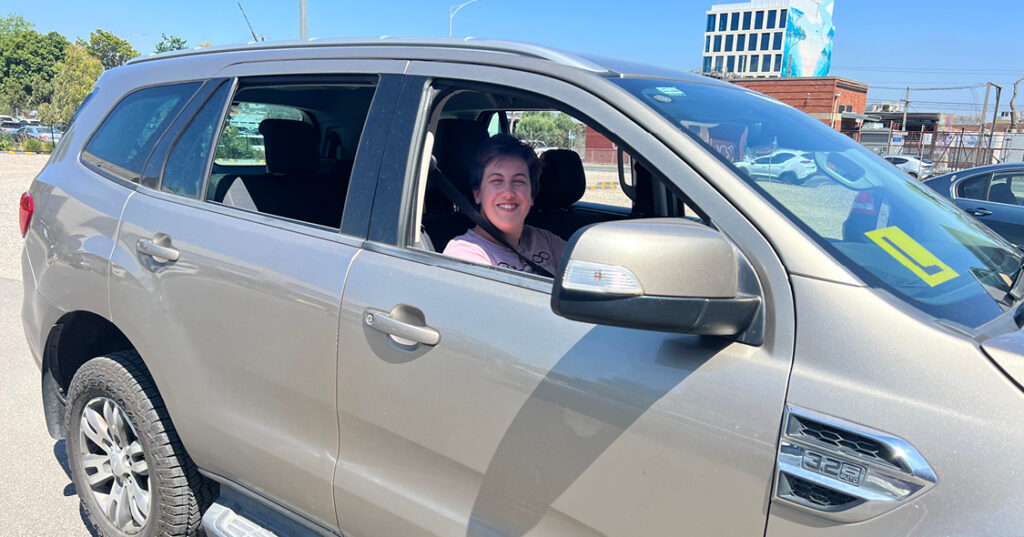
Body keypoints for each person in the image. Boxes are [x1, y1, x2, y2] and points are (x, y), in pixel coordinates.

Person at [443, 134, 567, 275]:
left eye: (519, 181)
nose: (508, 193)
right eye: (497, 181)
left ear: (532, 196)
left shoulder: (543, 239)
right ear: (478, 194)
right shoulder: (465, 254)